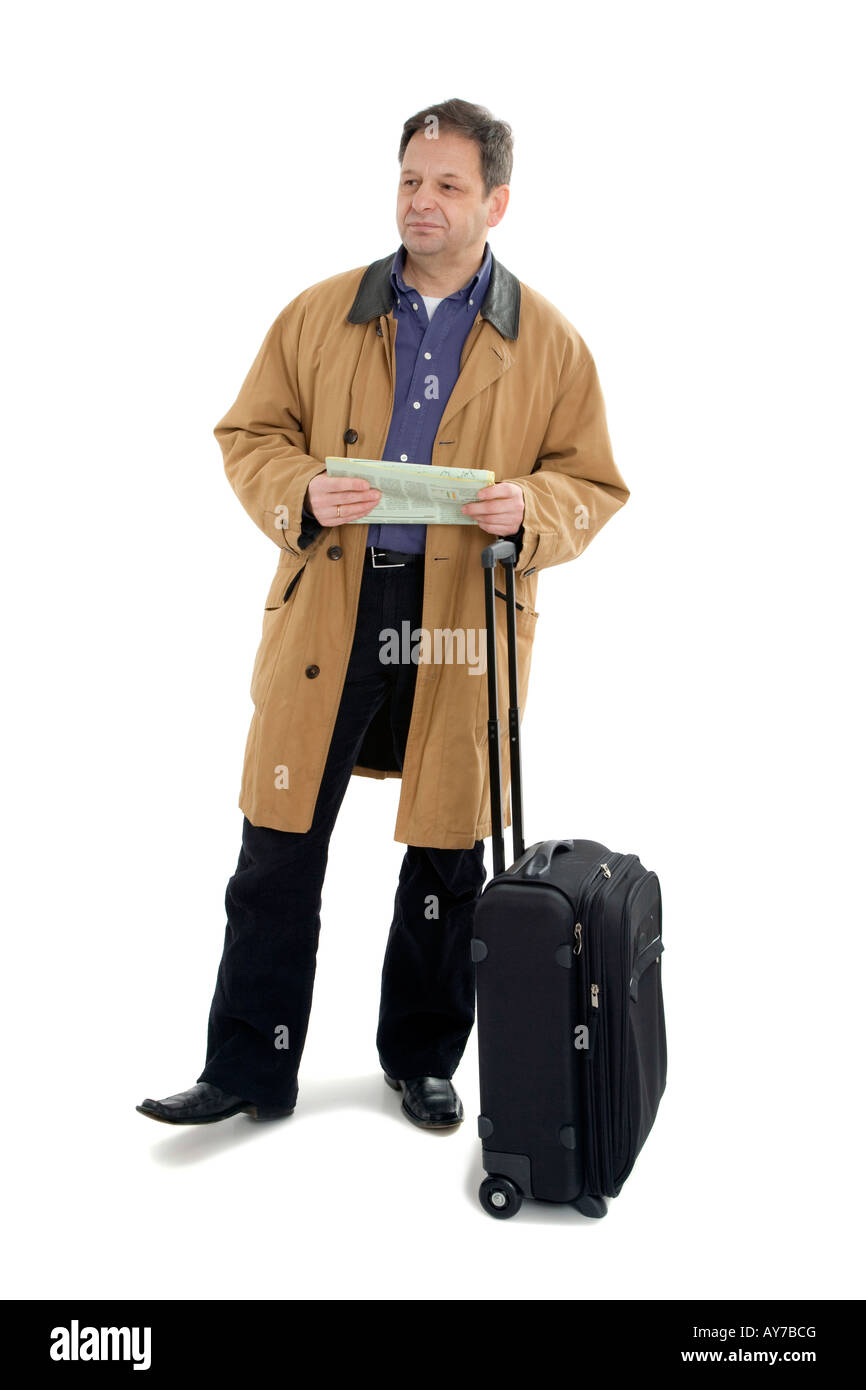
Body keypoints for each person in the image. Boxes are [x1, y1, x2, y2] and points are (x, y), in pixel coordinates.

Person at [137, 97, 629, 1132]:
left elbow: (590, 482)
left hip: (463, 619)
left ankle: (420, 1058)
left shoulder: (550, 343)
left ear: (496, 200)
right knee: (277, 845)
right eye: (411, 179)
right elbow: (248, 432)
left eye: (447, 185)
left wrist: (529, 509)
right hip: (333, 608)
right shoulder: (321, 312)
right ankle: (248, 1068)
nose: (422, 201)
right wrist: (300, 491)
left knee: (450, 849)